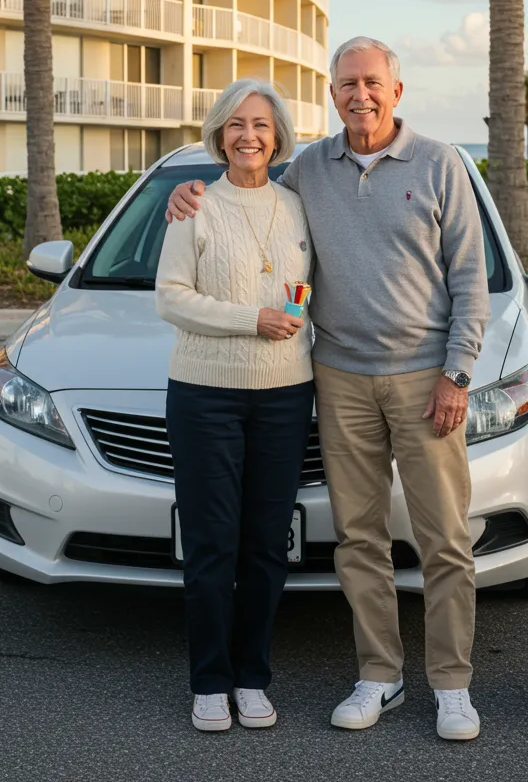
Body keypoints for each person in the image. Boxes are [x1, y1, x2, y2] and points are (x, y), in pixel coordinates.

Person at [167, 38, 490, 741]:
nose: (360, 95)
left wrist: (457, 373)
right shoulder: (310, 168)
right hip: (337, 377)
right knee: (360, 540)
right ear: (332, 93)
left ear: (396, 91)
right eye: (347, 84)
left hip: (424, 378)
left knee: (445, 541)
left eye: (372, 82)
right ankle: (381, 675)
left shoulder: (440, 164)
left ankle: (453, 685)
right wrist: (188, 188)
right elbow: (246, 180)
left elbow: (470, 281)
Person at [155, 78, 314, 732]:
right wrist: (255, 318)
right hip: (205, 396)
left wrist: (291, 315)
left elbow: (308, 289)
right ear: (219, 133)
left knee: (265, 548)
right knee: (212, 545)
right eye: (236, 124)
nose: (249, 135)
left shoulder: (299, 205)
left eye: (262, 125)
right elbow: (170, 297)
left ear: (278, 137)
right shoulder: (192, 206)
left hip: (284, 394)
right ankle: (209, 681)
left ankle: (252, 677)